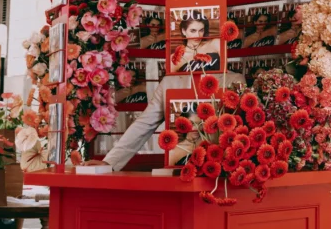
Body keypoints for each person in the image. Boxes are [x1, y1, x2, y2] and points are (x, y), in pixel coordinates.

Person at [87, 71, 241, 172]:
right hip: (178, 172)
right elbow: (144, 124)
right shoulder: (170, 82)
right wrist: (110, 162)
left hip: (221, 173)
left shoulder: (234, 80)